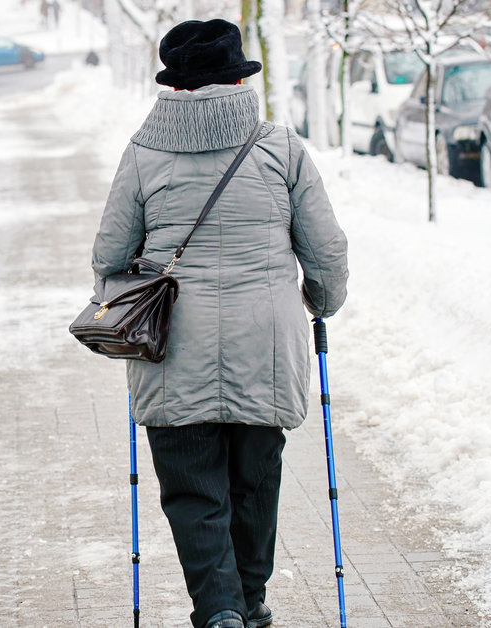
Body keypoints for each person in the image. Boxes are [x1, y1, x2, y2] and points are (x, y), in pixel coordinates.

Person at [89, 19, 349, 628]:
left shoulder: (143, 152)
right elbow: (327, 251)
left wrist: (128, 305)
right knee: (255, 485)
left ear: (175, 87)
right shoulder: (280, 147)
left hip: (172, 348)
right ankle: (250, 605)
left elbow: (109, 257)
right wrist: (322, 301)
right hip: (267, 345)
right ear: (239, 77)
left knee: (193, 492)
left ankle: (220, 611)